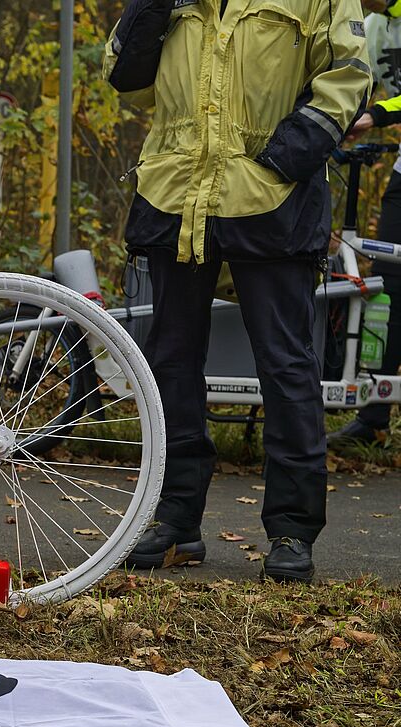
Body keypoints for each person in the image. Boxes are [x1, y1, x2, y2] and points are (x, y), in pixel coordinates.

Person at [104, 0, 371, 582]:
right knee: (170, 364)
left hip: (270, 199)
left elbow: (348, 77)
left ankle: (292, 532)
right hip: (175, 198)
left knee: (287, 366)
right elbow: (125, 76)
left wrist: (285, 159)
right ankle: (175, 521)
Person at [330, 0, 401, 448]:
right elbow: (354, 83)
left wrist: (378, 114)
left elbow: (378, 105)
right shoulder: (371, 25)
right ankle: (374, 417)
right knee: (389, 288)